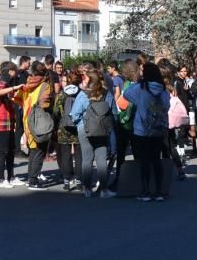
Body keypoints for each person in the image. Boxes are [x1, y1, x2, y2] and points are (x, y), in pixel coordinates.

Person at [117, 62, 171, 202]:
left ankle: (145, 190)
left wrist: (139, 82)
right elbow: (167, 105)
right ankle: (159, 191)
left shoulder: (140, 88)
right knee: (156, 159)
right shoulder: (163, 89)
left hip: (142, 129)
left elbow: (127, 95)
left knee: (144, 161)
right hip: (159, 128)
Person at [70, 71, 115, 198]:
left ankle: (87, 189)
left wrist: (81, 123)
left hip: (85, 128)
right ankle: (104, 190)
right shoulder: (107, 93)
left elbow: (74, 114)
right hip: (102, 129)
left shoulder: (83, 94)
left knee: (87, 159)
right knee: (101, 159)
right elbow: (113, 112)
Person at [16, 61, 53, 190]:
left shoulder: (27, 83)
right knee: (39, 150)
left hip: (27, 119)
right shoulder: (44, 85)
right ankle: (33, 180)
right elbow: (45, 103)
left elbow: (18, 98)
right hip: (38, 119)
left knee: (33, 150)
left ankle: (31, 178)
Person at [0, 61, 23, 188]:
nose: (16, 73)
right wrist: (15, 88)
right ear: (9, 71)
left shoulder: (6, 83)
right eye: (14, 70)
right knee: (3, 151)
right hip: (3, 121)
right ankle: (1, 179)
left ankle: (11, 177)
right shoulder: (1, 83)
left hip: (8, 121)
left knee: (11, 150)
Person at [55, 69, 83, 191]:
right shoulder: (81, 93)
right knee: (79, 155)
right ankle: (79, 180)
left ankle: (66, 181)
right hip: (78, 126)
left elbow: (55, 111)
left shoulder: (61, 94)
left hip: (63, 127)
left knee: (65, 155)